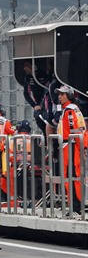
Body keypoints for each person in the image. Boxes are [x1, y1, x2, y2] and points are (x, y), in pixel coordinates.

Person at [55, 85, 88, 214]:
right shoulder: (69, 109)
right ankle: (74, 205)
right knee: (71, 176)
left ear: (68, 95)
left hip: (71, 146)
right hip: (69, 146)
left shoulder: (70, 111)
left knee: (72, 176)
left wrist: (81, 147)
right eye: (59, 94)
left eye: (62, 94)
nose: (59, 97)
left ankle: (76, 205)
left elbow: (77, 130)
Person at [23, 61, 48, 136]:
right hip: (38, 104)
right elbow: (26, 93)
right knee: (38, 117)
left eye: (26, 66)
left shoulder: (43, 74)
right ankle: (45, 134)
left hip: (47, 102)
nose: (24, 69)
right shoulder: (27, 77)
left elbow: (47, 89)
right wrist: (34, 105)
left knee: (48, 119)